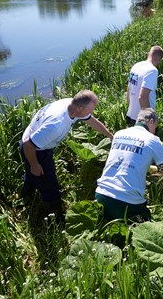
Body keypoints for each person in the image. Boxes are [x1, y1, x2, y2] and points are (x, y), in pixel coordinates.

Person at [20, 90, 114, 220]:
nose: (91, 113)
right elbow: (27, 145)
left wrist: (109, 135)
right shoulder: (56, 124)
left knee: (32, 176)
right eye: (90, 110)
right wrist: (35, 164)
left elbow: (91, 121)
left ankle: (25, 196)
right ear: (80, 109)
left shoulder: (72, 105)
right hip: (34, 150)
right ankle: (53, 217)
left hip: (38, 140)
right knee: (50, 186)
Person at [95, 108, 163, 222]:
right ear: (151, 121)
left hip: (101, 195)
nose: (155, 131)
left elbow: (126, 159)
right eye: (155, 127)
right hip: (128, 202)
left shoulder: (119, 134)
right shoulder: (154, 140)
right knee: (146, 226)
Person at [126, 46, 163, 126]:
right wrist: (150, 121)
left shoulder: (136, 66)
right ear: (160, 60)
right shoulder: (152, 71)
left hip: (130, 115)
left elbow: (129, 90)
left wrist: (130, 109)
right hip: (142, 119)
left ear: (148, 54)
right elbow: (142, 97)